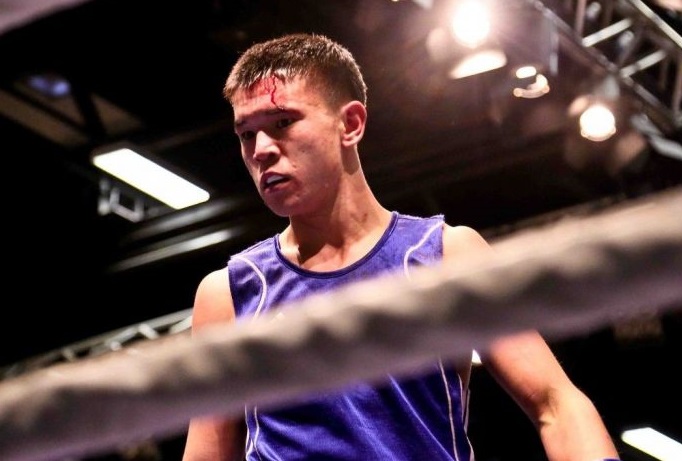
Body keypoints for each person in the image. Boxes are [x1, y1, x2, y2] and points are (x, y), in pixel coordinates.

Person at [182, 32, 621, 461]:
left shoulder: (444, 256)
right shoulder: (232, 293)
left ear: (350, 124)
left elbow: (556, 404)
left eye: (283, 122)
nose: (261, 150)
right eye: (246, 133)